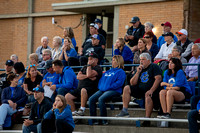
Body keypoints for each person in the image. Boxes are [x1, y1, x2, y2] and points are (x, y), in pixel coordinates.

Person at [116, 53, 162, 127]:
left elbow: (158, 79)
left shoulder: (154, 66)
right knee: (127, 88)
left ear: (148, 60)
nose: (141, 61)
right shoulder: (139, 69)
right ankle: (124, 111)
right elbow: (132, 83)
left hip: (153, 90)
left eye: (143, 59)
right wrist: (137, 72)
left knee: (148, 95)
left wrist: (151, 90)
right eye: (140, 59)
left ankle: (147, 119)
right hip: (140, 90)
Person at [89, 55, 126, 125]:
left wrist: (109, 87)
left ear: (118, 62)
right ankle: (94, 120)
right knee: (91, 99)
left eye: (114, 60)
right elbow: (101, 81)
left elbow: (119, 83)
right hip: (103, 90)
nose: (112, 61)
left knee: (101, 99)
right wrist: (102, 87)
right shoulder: (108, 71)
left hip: (114, 90)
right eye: (112, 60)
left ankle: (104, 120)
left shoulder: (121, 72)